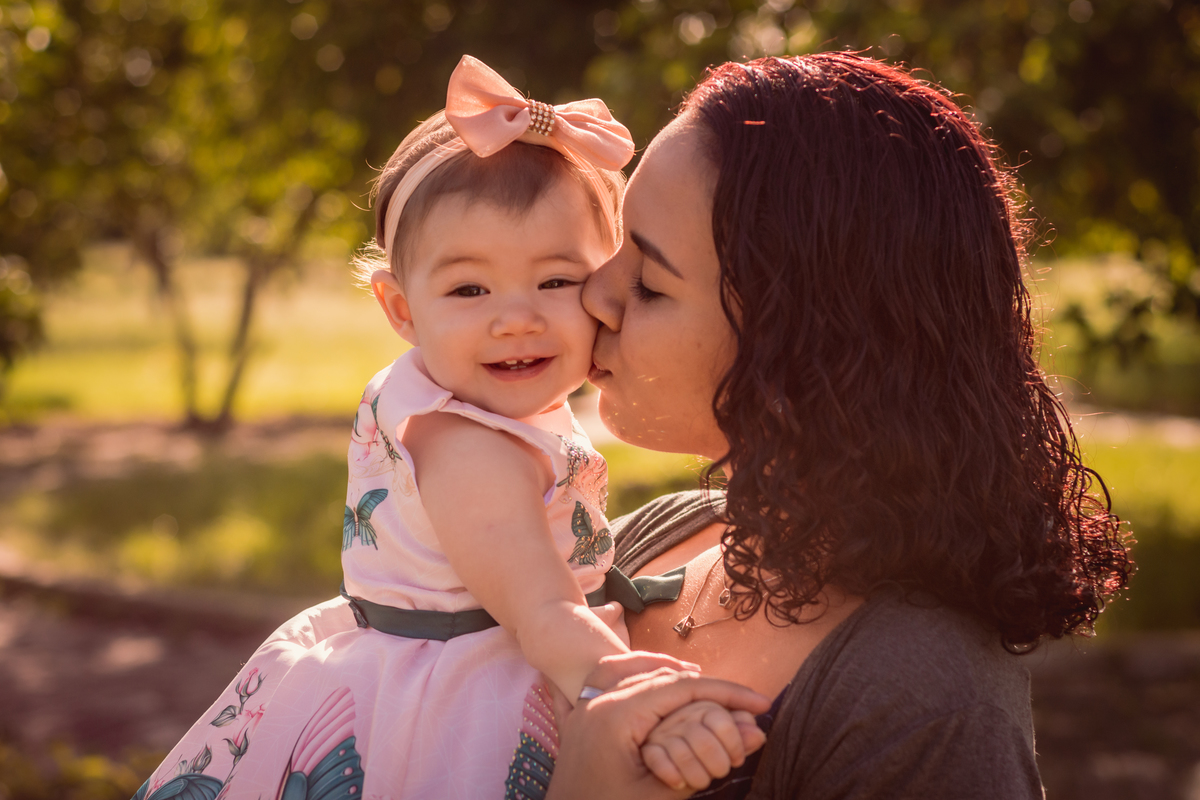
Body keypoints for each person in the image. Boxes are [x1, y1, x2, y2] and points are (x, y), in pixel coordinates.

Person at [131, 56, 759, 800]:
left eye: (555, 280)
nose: (515, 316)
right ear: (400, 308)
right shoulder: (468, 446)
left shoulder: (460, 400)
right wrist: (626, 685)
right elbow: (542, 607)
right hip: (461, 697)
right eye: (469, 287)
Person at [543, 53, 1133, 798]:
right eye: (617, 243)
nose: (596, 292)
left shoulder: (921, 702)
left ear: (806, 348)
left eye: (652, 284)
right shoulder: (652, 537)